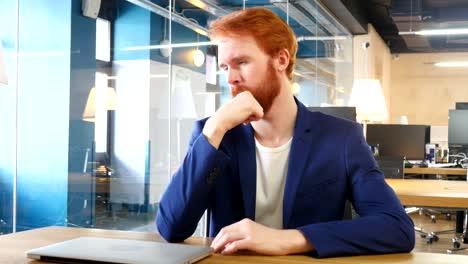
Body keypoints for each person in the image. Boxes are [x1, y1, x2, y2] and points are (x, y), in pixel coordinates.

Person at [156, 7, 415, 258]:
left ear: (281, 60)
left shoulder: (342, 137)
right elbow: (171, 228)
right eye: (225, 67)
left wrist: (289, 239)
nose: (231, 78)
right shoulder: (214, 133)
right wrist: (214, 129)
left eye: (242, 62)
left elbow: (397, 228)